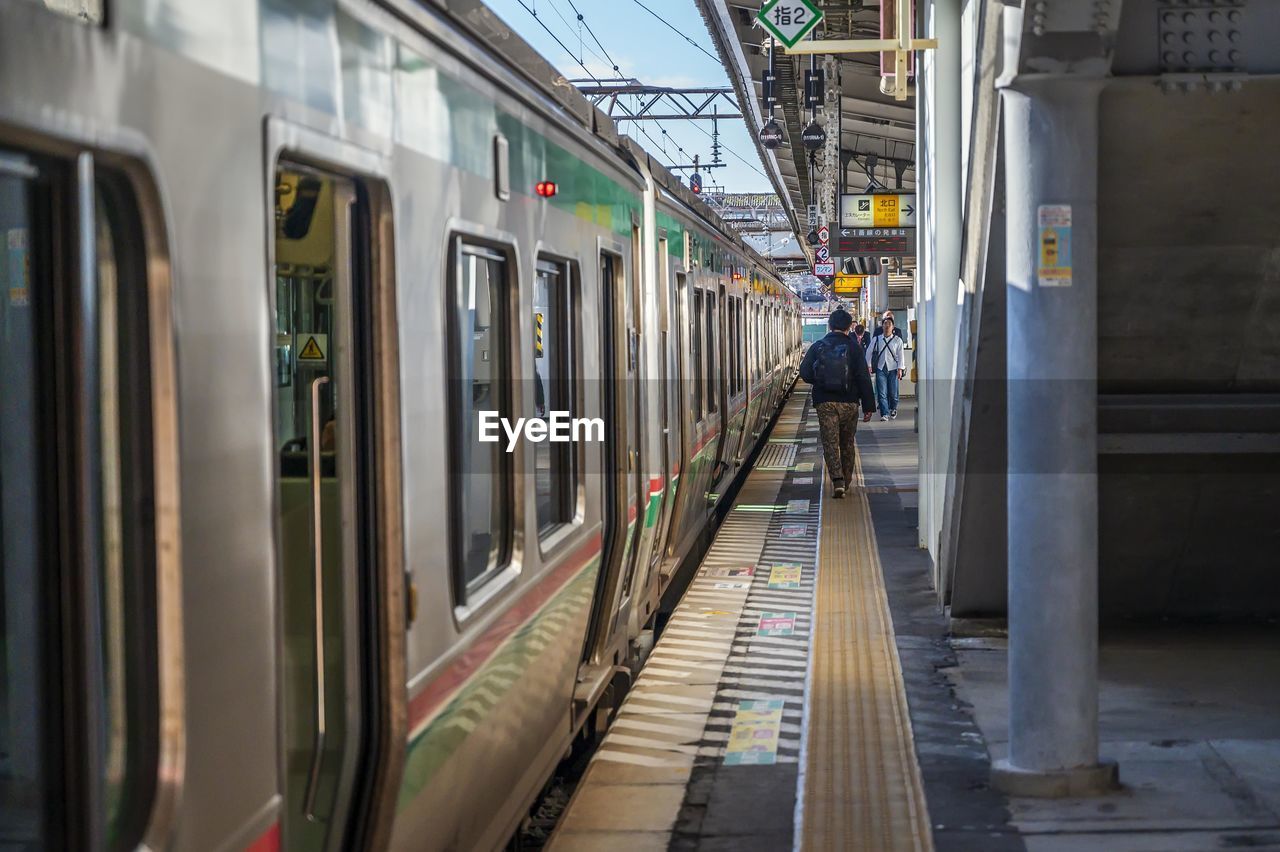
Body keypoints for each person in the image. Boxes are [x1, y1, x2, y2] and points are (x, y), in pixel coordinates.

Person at [799, 308, 877, 499]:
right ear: (849, 327)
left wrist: (820, 382)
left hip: (825, 403)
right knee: (847, 442)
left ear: (830, 325)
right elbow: (863, 378)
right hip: (849, 403)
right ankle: (847, 480)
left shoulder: (818, 346)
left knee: (830, 442)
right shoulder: (854, 348)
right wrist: (868, 407)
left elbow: (805, 373)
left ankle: (837, 481)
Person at [867, 316, 905, 420]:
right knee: (882, 392)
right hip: (880, 368)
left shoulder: (898, 340)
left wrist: (900, 369)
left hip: (893, 368)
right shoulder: (876, 339)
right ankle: (885, 414)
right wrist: (869, 365)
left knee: (893, 392)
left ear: (893, 327)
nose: (887, 325)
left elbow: (901, 355)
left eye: (889, 324)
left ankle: (893, 408)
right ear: (882, 326)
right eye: (885, 323)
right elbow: (869, 352)